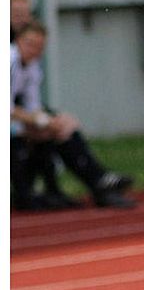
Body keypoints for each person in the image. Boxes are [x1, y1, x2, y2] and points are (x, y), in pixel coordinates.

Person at [10, 21, 136, 209]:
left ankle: (95, 182)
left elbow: (32, 105)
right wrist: (42, 121)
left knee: (63, 127)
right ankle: (97, 181)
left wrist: (49, 121)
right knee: (49, 129)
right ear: (18, 41)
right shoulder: (10, 59)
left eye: (39, 47)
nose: (34, 50)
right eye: (29, 44)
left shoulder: (32, 66)